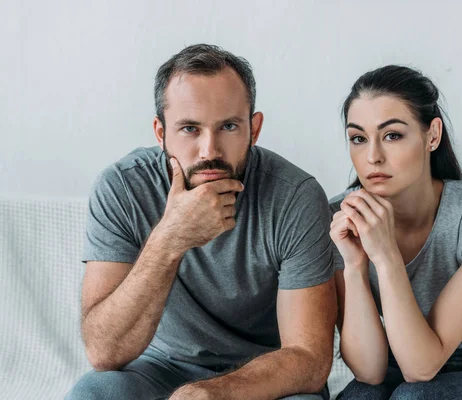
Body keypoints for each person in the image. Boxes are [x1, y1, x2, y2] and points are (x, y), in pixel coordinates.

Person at [65, 44, 336, 400]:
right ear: (160, 133)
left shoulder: (295, 196)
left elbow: (310, 360)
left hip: (266, 378)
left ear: (253, 129)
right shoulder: (123, 187)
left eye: (228, 126)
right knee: (94, 391)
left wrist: (214, 393)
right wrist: (169, 240)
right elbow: (104, 352)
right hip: (159, 370)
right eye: (190, 129)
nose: (210, 150)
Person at [329, 65, 462, 400]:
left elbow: (420, 371)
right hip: (400, 354)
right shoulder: (339, 218)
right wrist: (354, 267)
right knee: (359, 396)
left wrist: (385, 257)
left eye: (392, 135)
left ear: (432, 135)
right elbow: (370, 372)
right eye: (358, 138)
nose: (372, 157)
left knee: (414, 397)